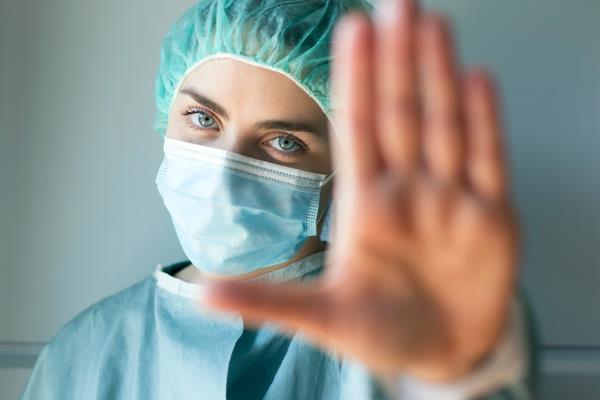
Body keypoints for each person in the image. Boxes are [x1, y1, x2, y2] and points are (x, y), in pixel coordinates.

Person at [20, 0, 538, 399]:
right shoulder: (83, 353)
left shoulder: (399, 328)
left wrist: (449, 379)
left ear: (348, 167)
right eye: (203, 119)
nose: (225, 170)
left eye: (284, 142)